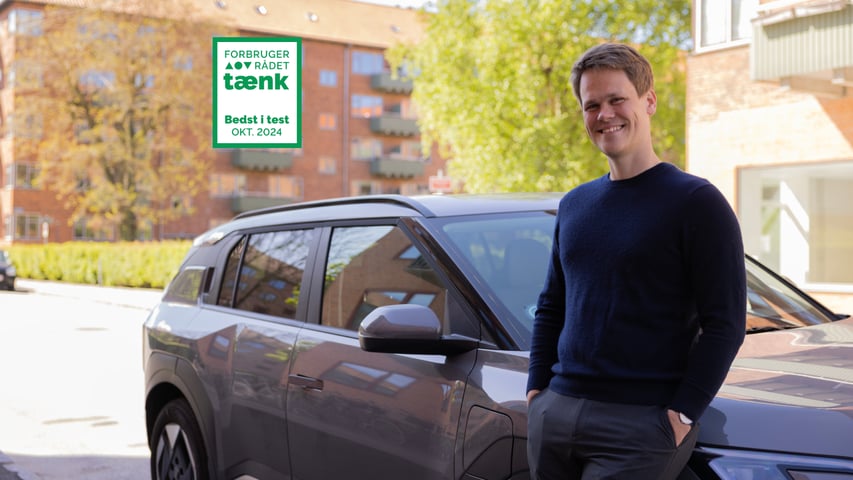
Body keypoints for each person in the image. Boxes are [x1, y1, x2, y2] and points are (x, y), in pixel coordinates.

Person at [526, 42, 746, 480]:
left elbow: (725, 323)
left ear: (649, 101)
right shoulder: (574, 204)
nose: (604, 114)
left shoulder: (696, 202)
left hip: (639, 425)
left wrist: (682, 414)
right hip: (556, 413)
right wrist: (537, 392)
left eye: (617, 100)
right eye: (592, 105)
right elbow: (552, 305)